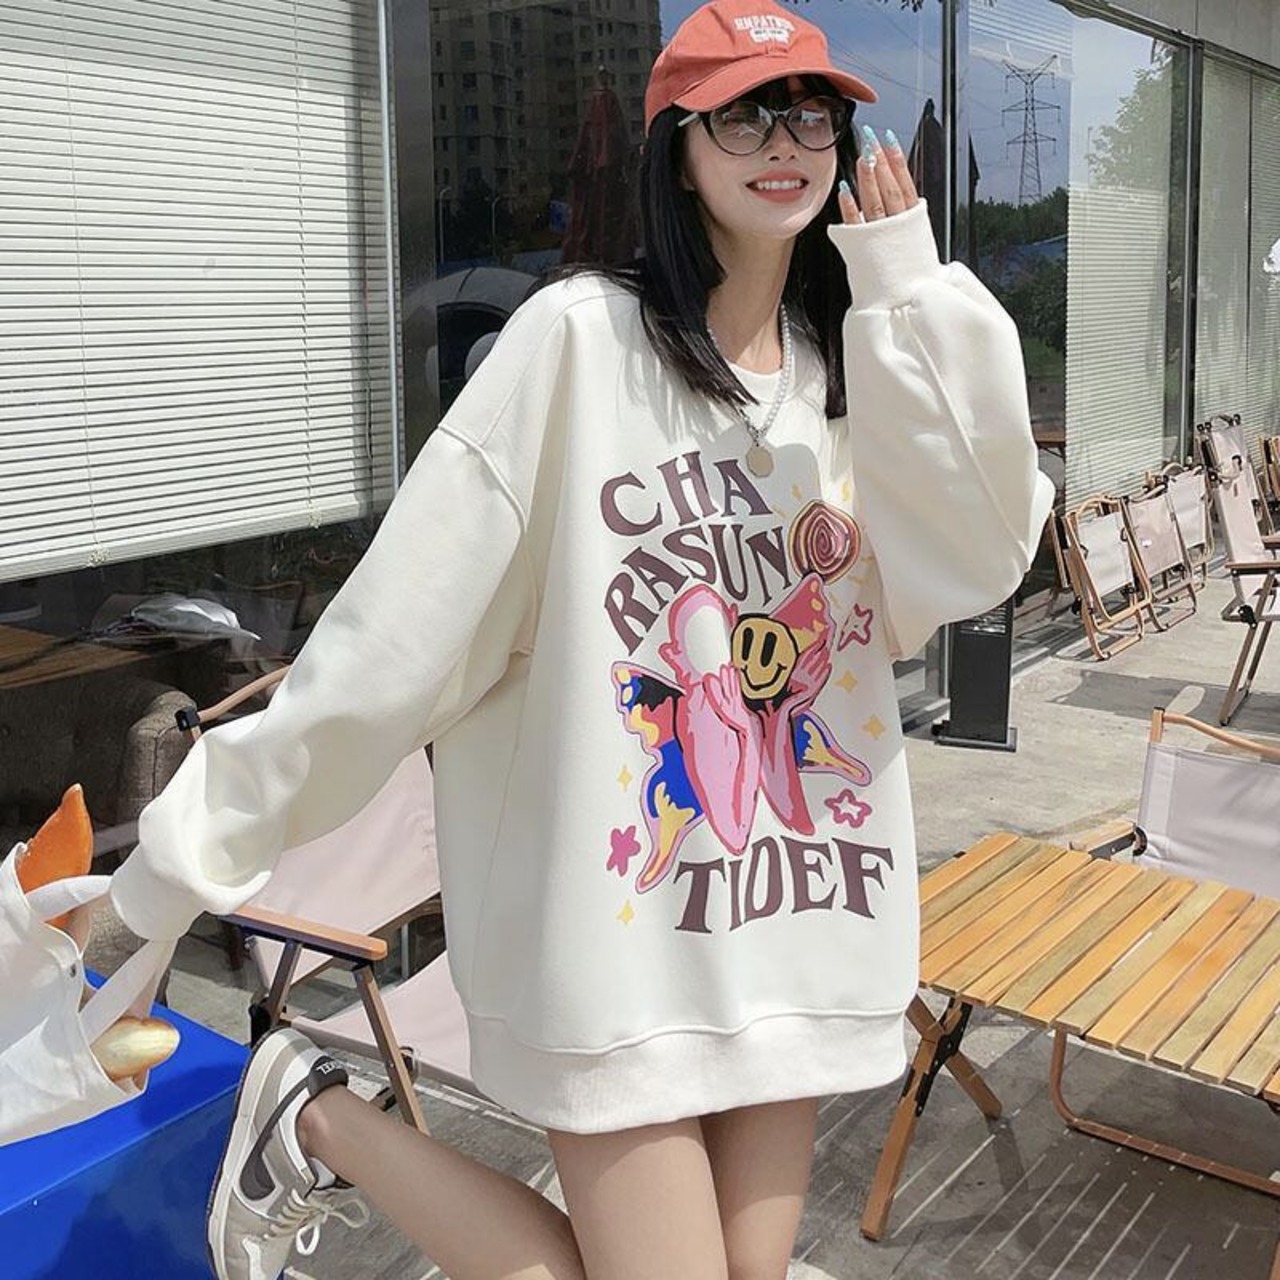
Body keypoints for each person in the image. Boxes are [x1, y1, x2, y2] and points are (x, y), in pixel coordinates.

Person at [109, 2, 1053, 1277]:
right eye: (742, 116)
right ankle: (312, 1108)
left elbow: (976, 558)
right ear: (677, 151)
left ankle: (308, 1110)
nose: (785, 141)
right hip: (619, 939)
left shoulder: (852, 369)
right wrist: (182, 855)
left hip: (799, 915)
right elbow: (393, 637)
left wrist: (905, 289)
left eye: (810, 113)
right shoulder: (577, 340)